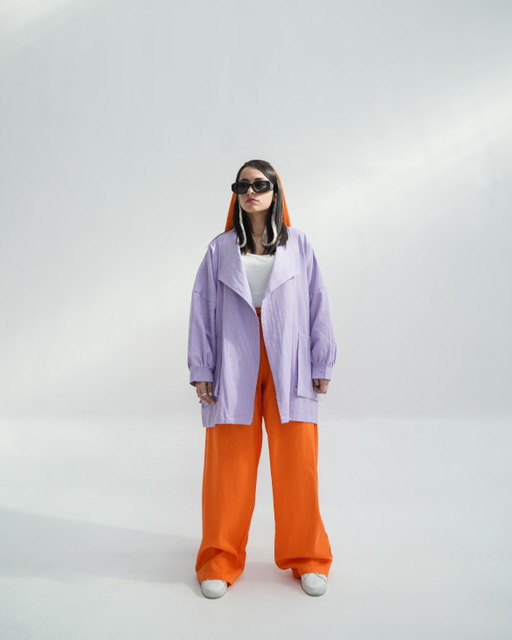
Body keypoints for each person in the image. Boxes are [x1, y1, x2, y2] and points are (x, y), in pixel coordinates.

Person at [188, 159, 336, 599]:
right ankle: (219, 558)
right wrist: (202, 367)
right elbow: (201, 307)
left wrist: (321, 362)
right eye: (242, 186)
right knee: (228, 467)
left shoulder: (299, 245)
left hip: (289, 359)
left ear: (275, 190)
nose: (250, 191)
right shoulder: (219, 249)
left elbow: (317, 301)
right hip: (234, 360)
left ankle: (308, 557)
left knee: (298, 464)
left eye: (259, 184)